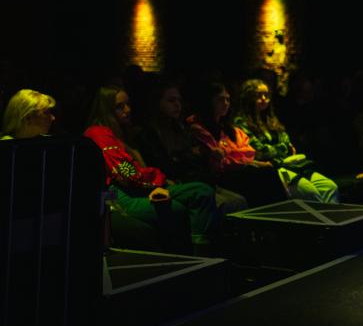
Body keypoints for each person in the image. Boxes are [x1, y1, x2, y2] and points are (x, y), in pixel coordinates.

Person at [84, 85, 219, 254]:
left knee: (201, 191)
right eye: (120, 106)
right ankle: (198, 255)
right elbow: (125, 172)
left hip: (140, 186)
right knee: (178, 208)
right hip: (117, 195)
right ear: (106, 109)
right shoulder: (98, 132)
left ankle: (202, 253)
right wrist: (156, 180)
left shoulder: (122, 133)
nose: (127, 110)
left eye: (128, 104)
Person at [133, 78, 248, 214]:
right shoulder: (149, 133)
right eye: (171, 100)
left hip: (197, 179)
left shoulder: (180, 128)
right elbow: (165, 165)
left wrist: (192, 155)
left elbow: (199, 156)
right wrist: (190, 155)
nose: (177, 105)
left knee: (240, 200)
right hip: (178, 183)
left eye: (179, 101)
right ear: (157, 103)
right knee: (230, 203)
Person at [233, 79, 339, 203]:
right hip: (272, 170)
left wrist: (281, 148)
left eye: (266, 95)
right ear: (248, 97)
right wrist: (284, 149)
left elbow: (286, 140)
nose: (263, 98)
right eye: (258, 95)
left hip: (290, 165)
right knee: (311, 193)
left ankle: (331, 221)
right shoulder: (241, 123)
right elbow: (259, 151)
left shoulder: (270, 119)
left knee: (330, 187)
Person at [187, 81, 286, 207]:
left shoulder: (229, 128)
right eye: (220, 99)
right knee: (265, 175)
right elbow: (218, 164)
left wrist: (227, 152)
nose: (226, 104)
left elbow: (249, 152)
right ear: (208, 101)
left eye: (228, 99)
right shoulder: (198, 127)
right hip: (221, 176)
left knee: (267, 173)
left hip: (239, 169)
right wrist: (239, 156)